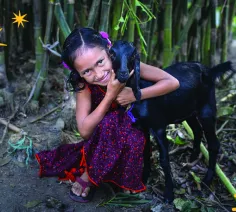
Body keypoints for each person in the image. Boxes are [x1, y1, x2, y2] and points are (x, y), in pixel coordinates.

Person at [35, 27, 179, 203]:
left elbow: (172, 82)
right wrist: (111, 95)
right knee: (110, 122)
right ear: (78, 73)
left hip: (132, 131)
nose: (98, 74)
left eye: (100, 62)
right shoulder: (84, 87)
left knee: (129, 132)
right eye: (87, 71)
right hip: (100, 139)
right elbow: (85, 131)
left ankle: (123, 176)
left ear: (109, 49)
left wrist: (134, 95)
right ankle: (90, 174)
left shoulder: (127, 65)